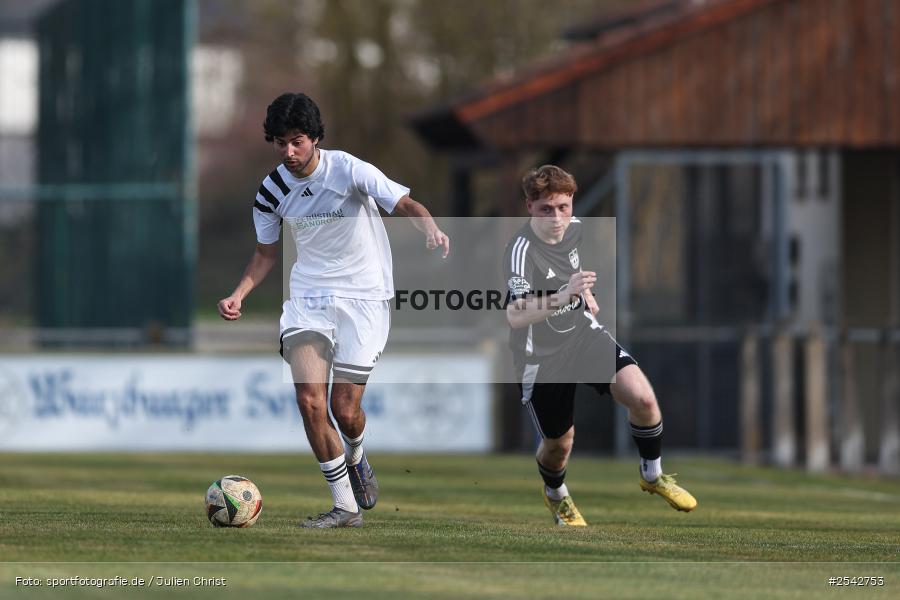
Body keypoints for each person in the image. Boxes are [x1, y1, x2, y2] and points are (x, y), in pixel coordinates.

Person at [218, 93, 449, 528]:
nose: (289, 152)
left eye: (297, 141)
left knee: (345, 410)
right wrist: (240, 293)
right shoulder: (271, 192)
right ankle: (345, 507)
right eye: (280, 142)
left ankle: (357, 454)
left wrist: (431, 226)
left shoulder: (348, 169)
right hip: (308, 299)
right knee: (310, 401)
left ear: (316, 137)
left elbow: (403, 203)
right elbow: (266, 253)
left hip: (365, 296)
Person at [502, 164, 696, 526]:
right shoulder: (520, 250)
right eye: (546, 209)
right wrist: (564, 296)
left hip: (582, 336)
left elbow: (571, 270)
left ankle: (652, 475)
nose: (556, 218)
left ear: (572, 202)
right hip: (540, 356)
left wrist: (585, 292)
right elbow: (515, 315)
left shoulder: (575, 230)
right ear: (529, 207)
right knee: (559, 447)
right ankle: (555, 494)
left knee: (644, 398)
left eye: (563, 207)